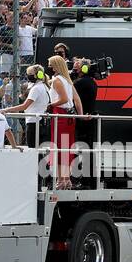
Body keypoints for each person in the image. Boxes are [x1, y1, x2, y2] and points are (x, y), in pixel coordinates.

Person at [47, 55, 83, 189]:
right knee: (66, 147)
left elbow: (63, 99)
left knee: (60, 147)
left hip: (60, 115)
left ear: (55, 66)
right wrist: (81, 115)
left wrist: (51, 104)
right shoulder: (68, 81)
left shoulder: (57, 80)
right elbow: (76, 100)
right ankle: (66, 179)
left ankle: (62, 180)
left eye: (50, 64)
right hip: (69, 116)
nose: (48, 67)